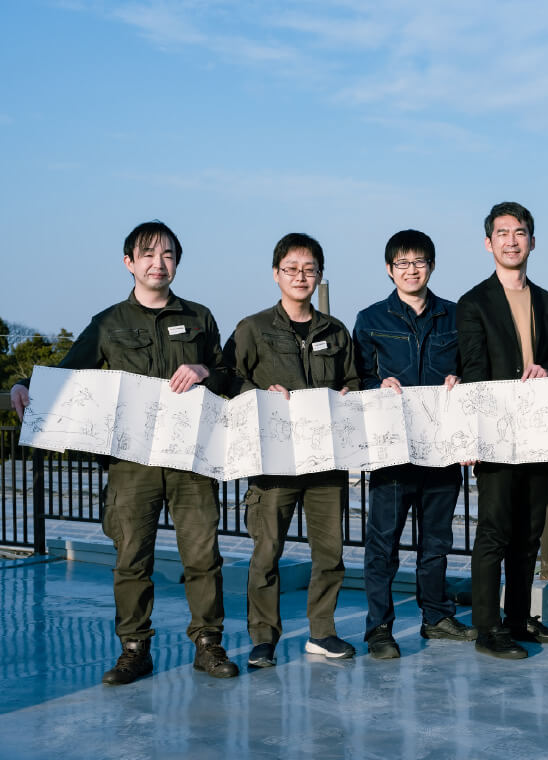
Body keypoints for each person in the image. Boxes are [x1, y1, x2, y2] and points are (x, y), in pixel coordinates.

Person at [10, 221, 238, 684]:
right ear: (129, 263)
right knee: (132, 559)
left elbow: (228, 374)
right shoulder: (108, 323)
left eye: (168, 254)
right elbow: (68, 375)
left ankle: (209, 645)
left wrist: (204, 370)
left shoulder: (200, 317)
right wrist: (24, 385)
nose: (159, 263)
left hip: (190, 461)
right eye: (148, 255)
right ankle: (134, 651)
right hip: (130, 465)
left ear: (177, 262)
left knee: (202, 556)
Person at [223, 232, 359, 668]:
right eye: (291, 269)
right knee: (267, 553)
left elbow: (354, 382)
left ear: (319, 274)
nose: (300, 276)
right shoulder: (253, 328)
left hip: (325, 462)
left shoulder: (335, 331)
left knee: (330, 553)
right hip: (273, 461)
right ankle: (263, 637)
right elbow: (226, 377)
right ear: (276, 274)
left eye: (309, 269)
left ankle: (322, 631)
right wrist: (259, 392)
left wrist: (345, 394)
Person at [353, 229, 476, 659]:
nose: (411, 270)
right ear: (389, 270)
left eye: (419, 262)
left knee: (437, 541)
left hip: (442, 451)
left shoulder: (455, 316)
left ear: (432, 266)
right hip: (393, 452)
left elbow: (471, 373)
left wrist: (460, 382)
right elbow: (358, 378)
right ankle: (379, 629)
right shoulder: (371, 319)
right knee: (382, 544)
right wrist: (376, 383)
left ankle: (436, 617)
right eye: (402, 263)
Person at [456, 201, 548, 659]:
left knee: (528, 534)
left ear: (532, 241)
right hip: (497, 435)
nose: (512, 240)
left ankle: (519, 619)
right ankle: (488, 628)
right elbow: (474, 372)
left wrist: (547, 369)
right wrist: (477, 437)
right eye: (502, 233)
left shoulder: (546, 299)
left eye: (520, 232)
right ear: (489, 243)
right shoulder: (473, 302)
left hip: (538, 434)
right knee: (494, 533)